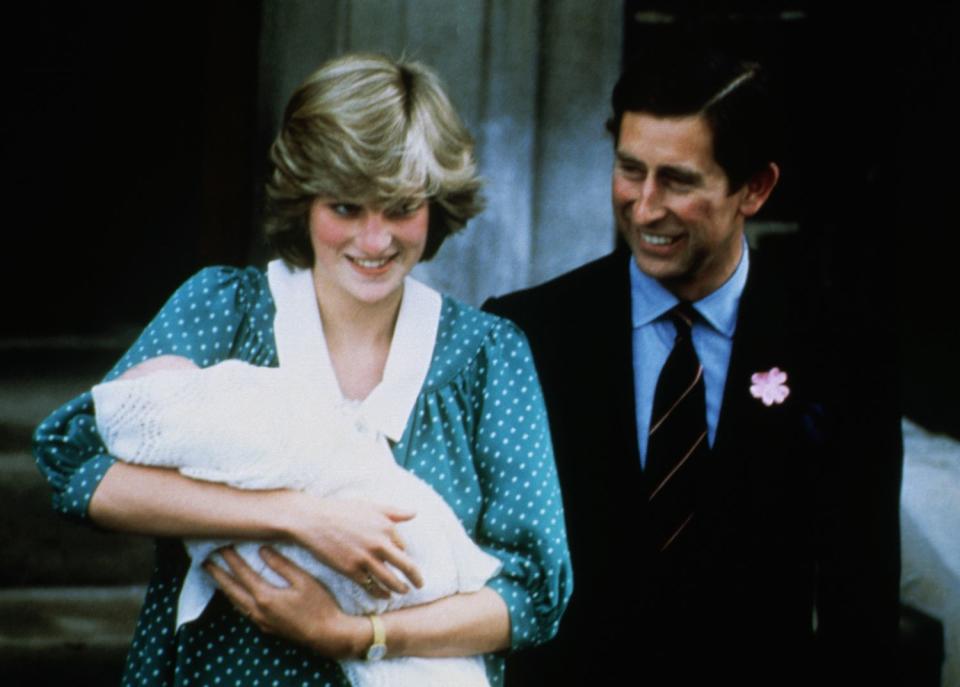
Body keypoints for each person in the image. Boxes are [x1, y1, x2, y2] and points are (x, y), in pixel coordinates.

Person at [33, 52, 571, 687]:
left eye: (399, 207)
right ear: (304, 200)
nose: (374, 241)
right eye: (345, 207)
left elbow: (533, 593)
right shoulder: (226, 311)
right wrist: (299, 515)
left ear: (436, 205)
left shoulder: (486, 356)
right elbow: (78, 466)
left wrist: (352, 634)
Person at [484, 46, 902, 686]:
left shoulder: (837, 357)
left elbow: (861, 610)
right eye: (630, 170)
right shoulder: (527, 334)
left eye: (678, 180)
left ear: (754, 188)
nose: (645, 207)